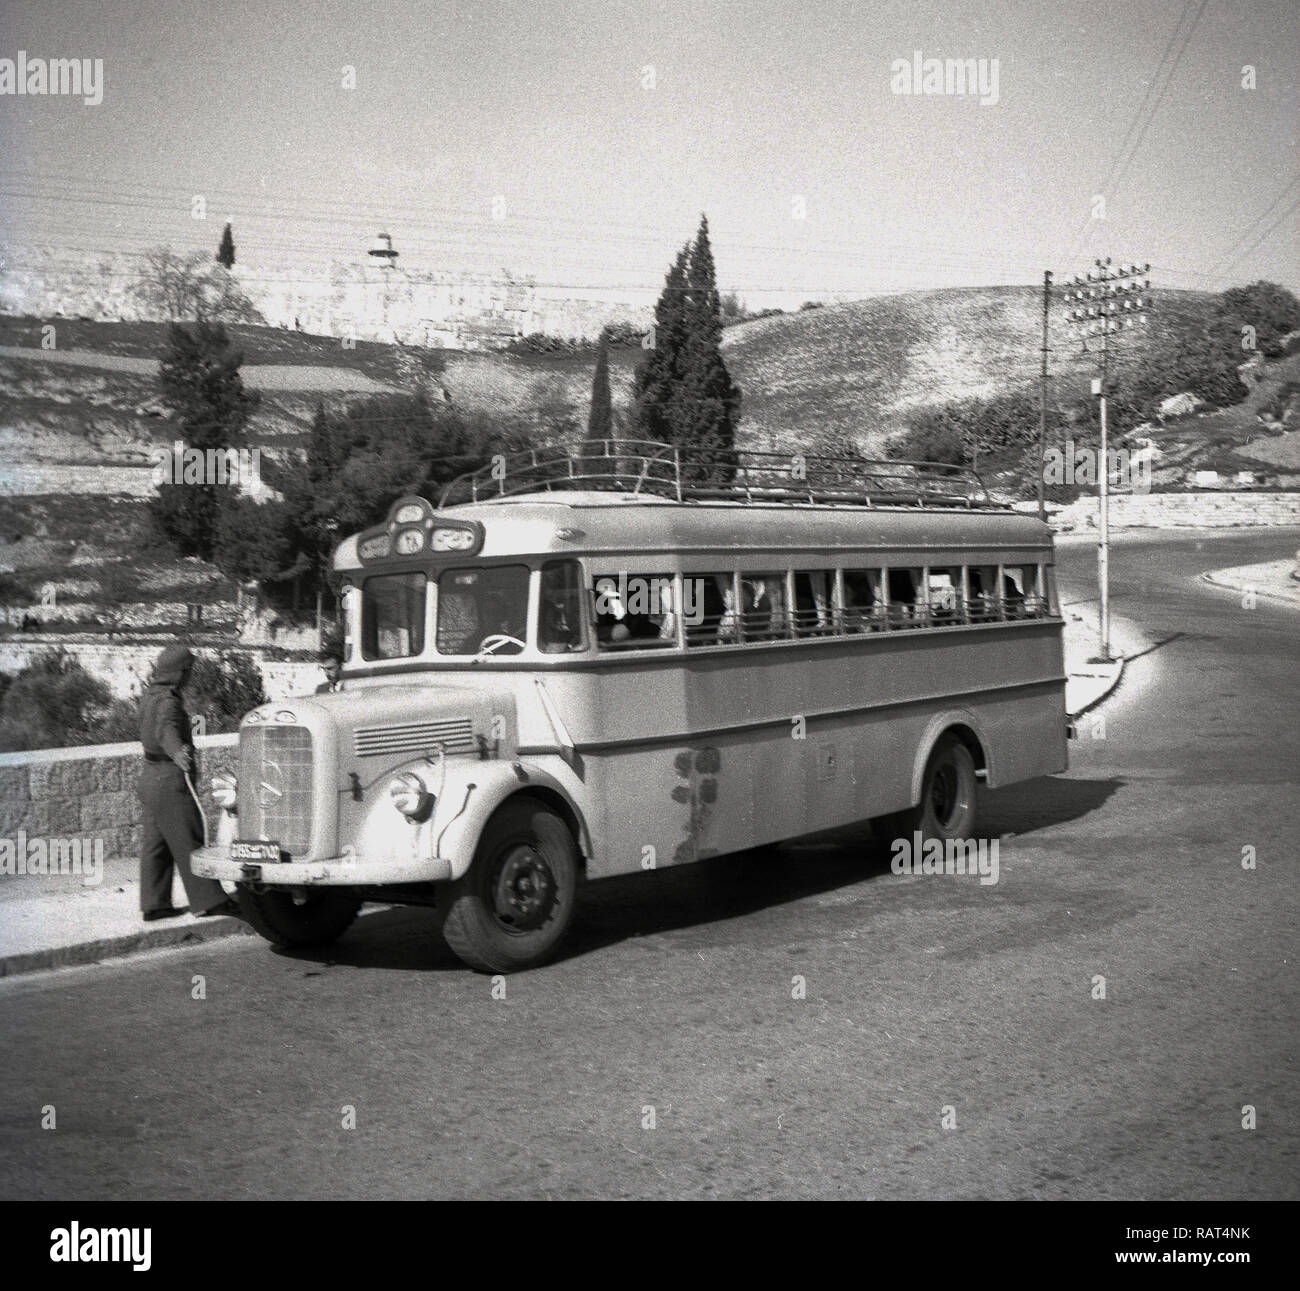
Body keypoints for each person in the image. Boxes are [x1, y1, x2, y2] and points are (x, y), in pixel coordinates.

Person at [137, 644, 237, 921]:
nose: (190, 675)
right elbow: (165, 728)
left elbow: (152, 728)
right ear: (179, 672)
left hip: (149, 774)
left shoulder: (149, 695)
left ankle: (154, 904)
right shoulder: (168, 700)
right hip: (169, 778)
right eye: (189, 670)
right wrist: (178, 752)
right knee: (189, 837)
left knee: (155, 845)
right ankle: (211, 900)